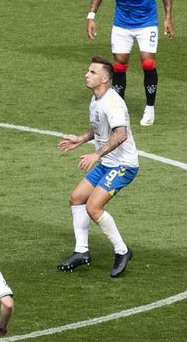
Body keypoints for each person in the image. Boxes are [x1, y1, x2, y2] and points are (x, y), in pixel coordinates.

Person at [56, 56, 139, 278]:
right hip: (107, 163)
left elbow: (120, 134)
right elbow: (99, 130)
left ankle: (122, 251)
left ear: (105, 79)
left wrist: (96, 154)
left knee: (93, 207)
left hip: (123, 165)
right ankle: (81, 252)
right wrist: (80, 139)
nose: (87, 74)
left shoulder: (113, 103)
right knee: (76, 198)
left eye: (92, 72)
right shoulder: (96, 99)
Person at [87, 0, 173, 127]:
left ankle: (149, 109)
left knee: (147, 63)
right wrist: (91, 15)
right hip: (122, 23)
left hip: (146, 22)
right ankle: (120, 109)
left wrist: (168, 16)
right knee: (119, 65)